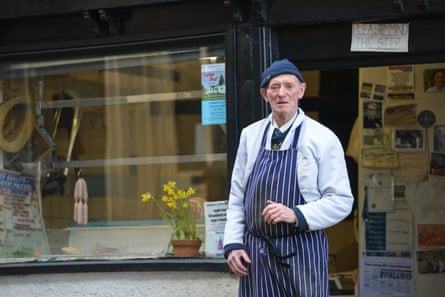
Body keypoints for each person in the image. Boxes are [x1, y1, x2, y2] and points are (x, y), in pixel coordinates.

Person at [223, 58, 354, 297]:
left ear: (301, 91)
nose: (281, 93)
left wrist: (296, 214)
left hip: (302, 249)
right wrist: (233, 244)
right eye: (274, 87)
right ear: (265, 94)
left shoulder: (322, 137)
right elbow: (237, 196)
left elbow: (341, 200)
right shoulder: (250, 136)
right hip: (256, 253)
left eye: (289, 86)